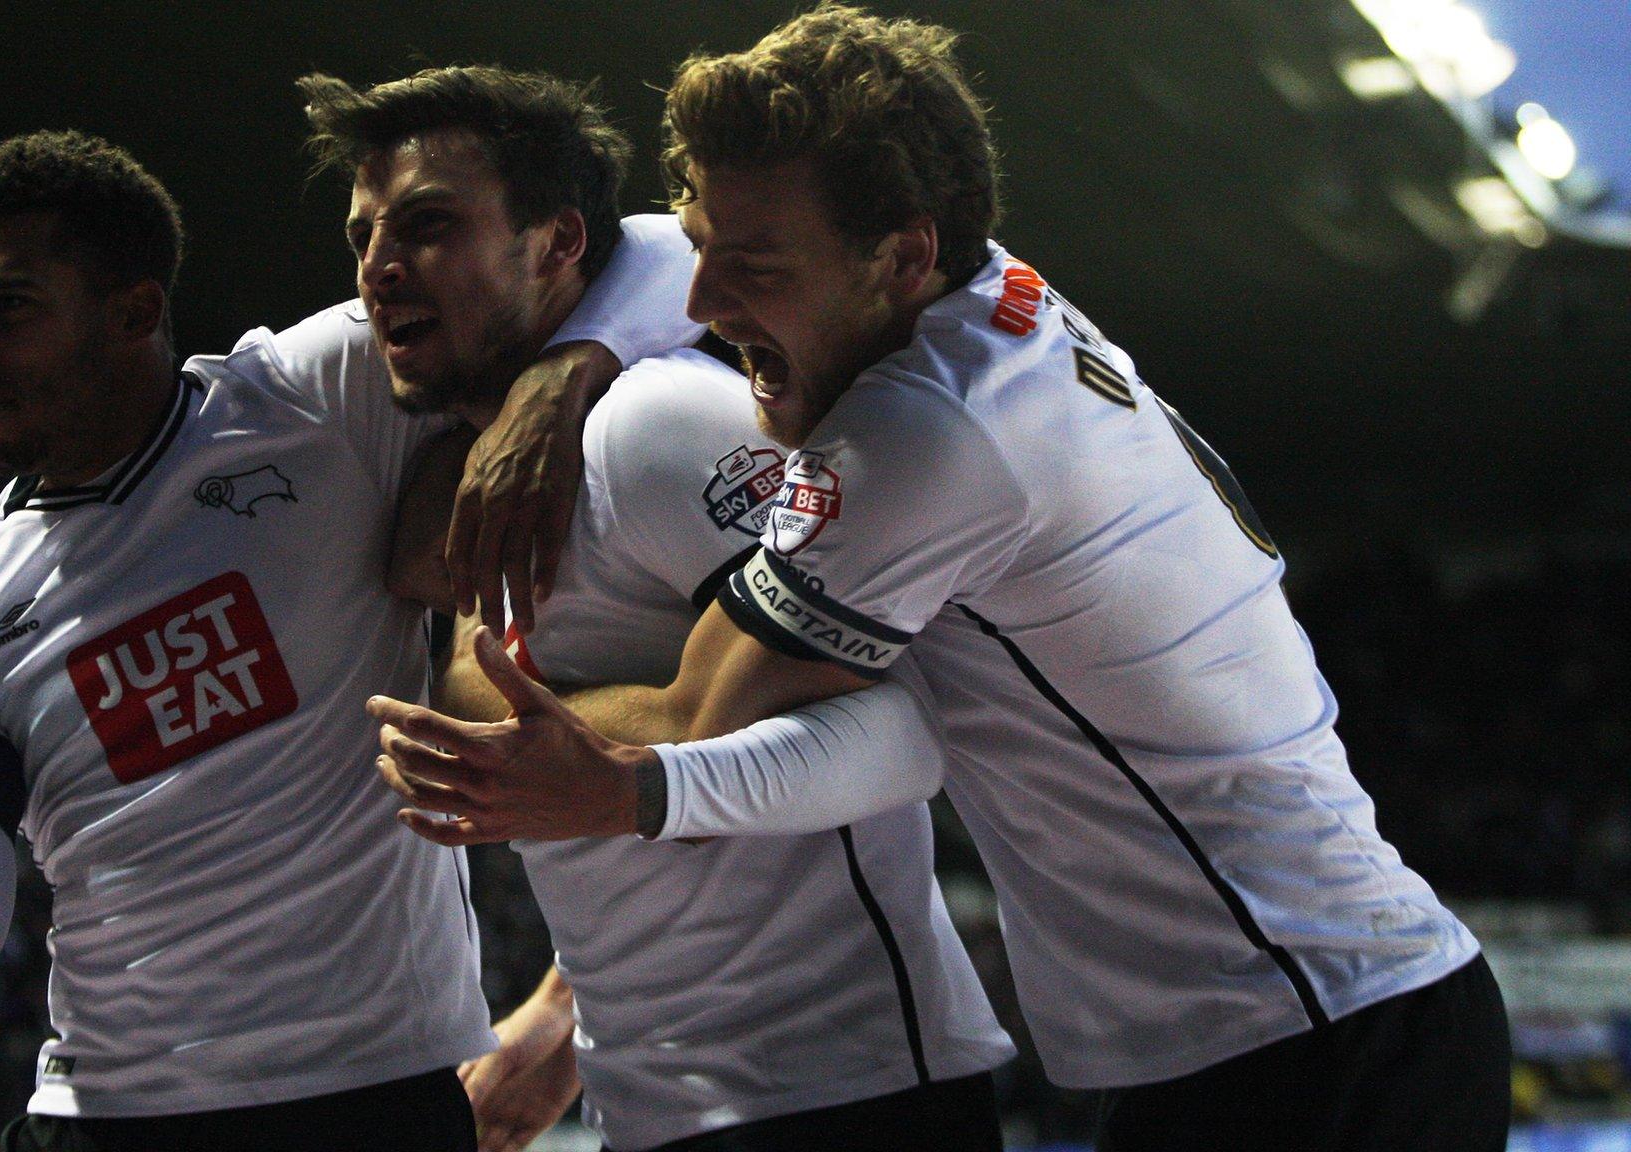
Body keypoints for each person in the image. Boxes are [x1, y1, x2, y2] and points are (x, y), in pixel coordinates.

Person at [367, 6, 1513, 1150]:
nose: (707, 304)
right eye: (703, 246)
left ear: (901, 254)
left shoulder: (920, 441)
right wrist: (569, 363)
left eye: (754, 268)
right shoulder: (986, 295)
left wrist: (503, 697)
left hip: (1308, 1041)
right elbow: (657, 253)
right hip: (1296, 1015)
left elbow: (696, 719)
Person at [0, 129, 695, 1152]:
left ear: (135, 312)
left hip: (369, 1103)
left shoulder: (315, 396)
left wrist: (562, 376)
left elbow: (663, 249)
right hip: (106, 1115)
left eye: (6, 307)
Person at [304, 66, 1015, 1152]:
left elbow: (914, 729)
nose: (379, 269)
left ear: (555, 245)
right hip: (655, 1100)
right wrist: (554, 1018)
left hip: (846, 1091)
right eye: (361, 237)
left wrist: (635, 775)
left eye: (430, 227)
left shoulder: (656, 424)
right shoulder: (449, 453)